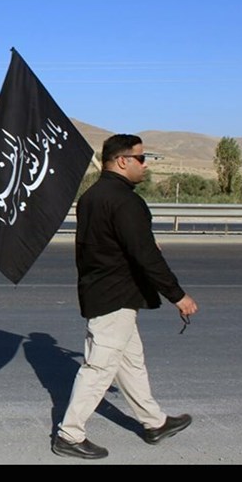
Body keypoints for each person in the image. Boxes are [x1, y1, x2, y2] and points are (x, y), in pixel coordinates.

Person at [52, 134, 199, 460]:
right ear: (122, 161)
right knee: (98, 368)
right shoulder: (124, 201)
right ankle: (69, 434)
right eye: (141, 159)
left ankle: (154, 422)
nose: (145, 165)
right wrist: (178, 296)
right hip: (113, 297)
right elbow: (145, 255)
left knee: (131, 363)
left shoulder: (92, 196)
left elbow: (103, 244)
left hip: (106, 290)